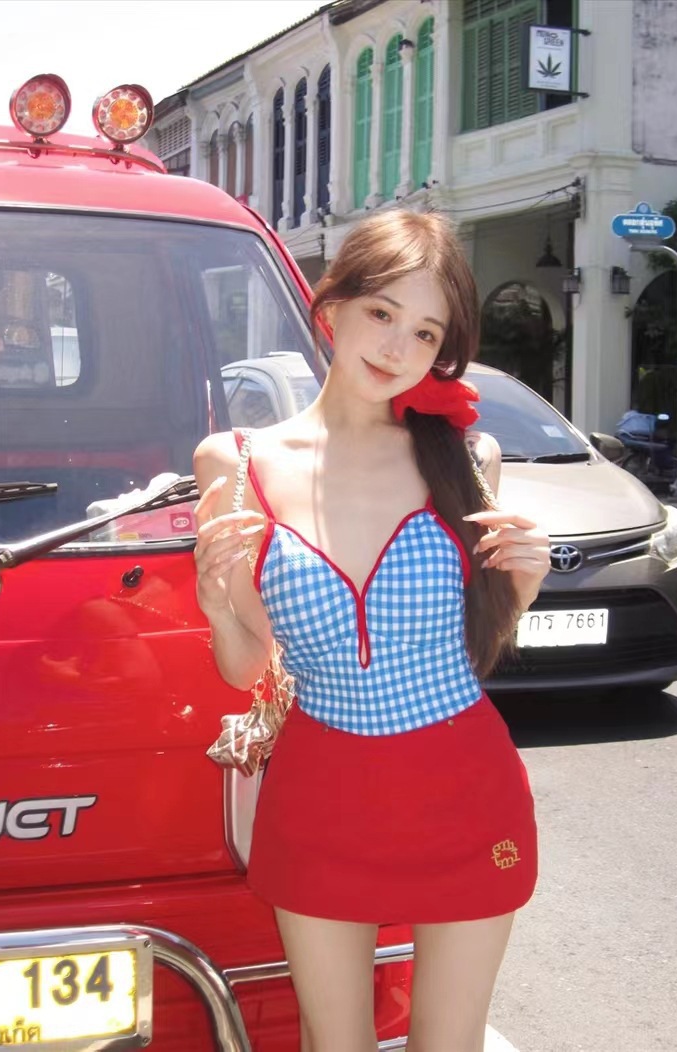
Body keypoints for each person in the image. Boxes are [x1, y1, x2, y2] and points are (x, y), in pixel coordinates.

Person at [192, 209, 550, 1052]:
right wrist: (215, 605)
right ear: (332, 308)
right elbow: (246, 670)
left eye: (425, 333)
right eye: (382, 312)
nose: (396, 348)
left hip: (466, 788)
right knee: (335, 1043)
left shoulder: (467, 459)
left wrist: (524, 582)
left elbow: (476, 648)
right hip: (322, 798)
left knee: (448, 1044)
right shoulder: (236, 463)